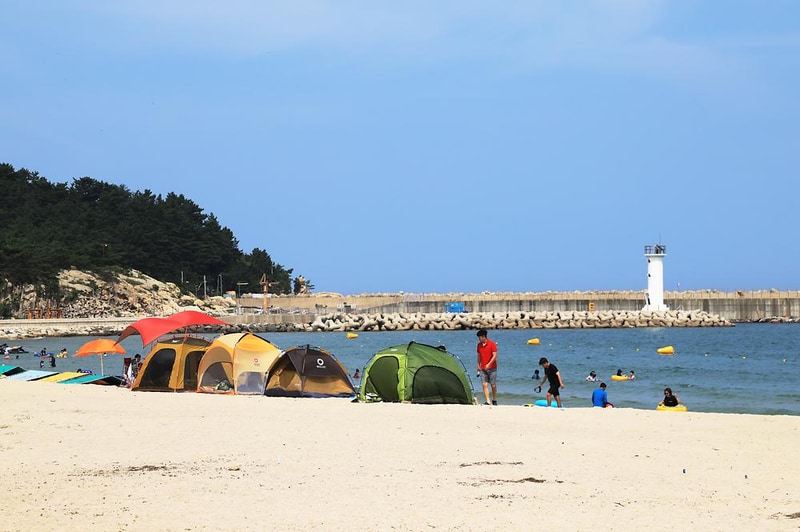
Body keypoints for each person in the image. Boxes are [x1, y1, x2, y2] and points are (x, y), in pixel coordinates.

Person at [476, 329, 498, 406]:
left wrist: (489, 364)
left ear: (483, 336)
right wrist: (478, 364)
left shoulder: (492, 344)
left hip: (492, 368)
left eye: (479, 337)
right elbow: (479, 355)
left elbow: (494, 356)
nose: (479, 339)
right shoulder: (479, 345)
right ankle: (488, 401)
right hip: (483, 368)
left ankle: (494, 399)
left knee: (493, 385)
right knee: (484, 384)